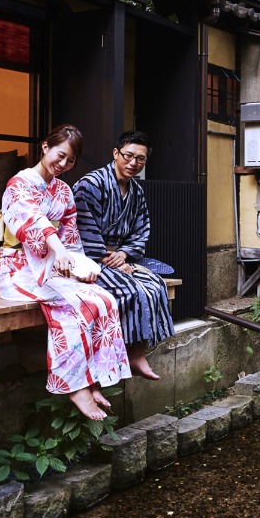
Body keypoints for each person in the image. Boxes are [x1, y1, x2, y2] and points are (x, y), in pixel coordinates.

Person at [0, 125, 131, 420]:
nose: (63, 164)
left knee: (104, 300)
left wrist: (81, 268)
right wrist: (57, 251)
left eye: (70, 161)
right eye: (60, 156)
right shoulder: (19, 184)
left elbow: (71, 239)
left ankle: (93, 379)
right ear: (45, 147)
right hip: (20, 269)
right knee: (72, 305)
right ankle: (74, 386)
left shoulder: (64, 191)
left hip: (55, 268)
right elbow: (32, 220)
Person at [73, 130, 174, 380]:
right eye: (128, 155)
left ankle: (138, 353)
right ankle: (123, 353)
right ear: (116, 153)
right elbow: (81, 227)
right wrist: (109, 258)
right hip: (89, 258)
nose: (133, 163)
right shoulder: (91, 184)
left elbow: (141, 229)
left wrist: (124, 254)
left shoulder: (136, 190)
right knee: (130, 290)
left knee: (156, 285)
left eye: (140, 159)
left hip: (121, 256)